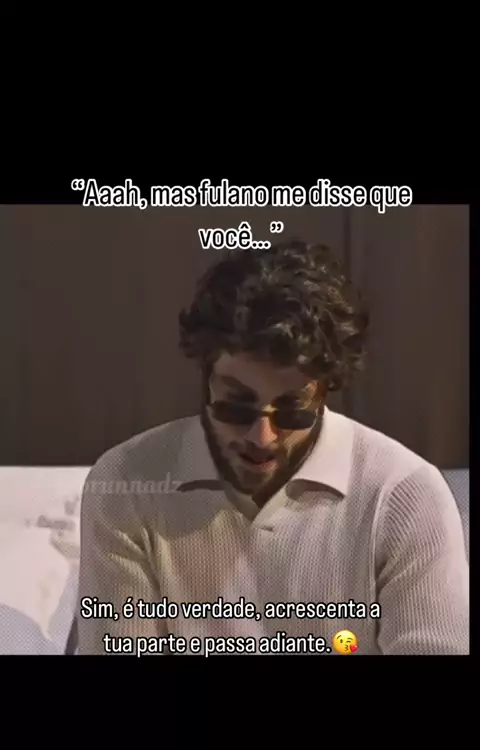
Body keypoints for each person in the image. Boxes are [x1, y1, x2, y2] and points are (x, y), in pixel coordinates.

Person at [77, 240, 469, 655]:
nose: (261, 438)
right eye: (237, 406)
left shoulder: (404, 495)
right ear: (205, 376)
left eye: (292, 411)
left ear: (326, 391)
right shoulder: (127, 483)